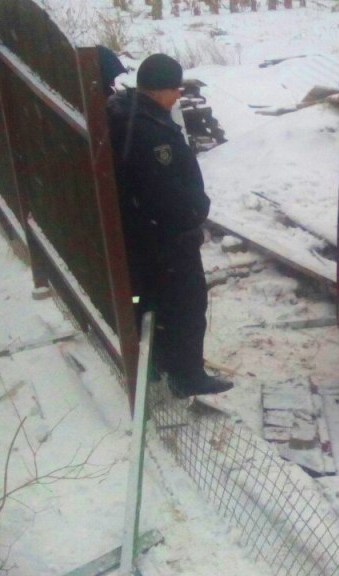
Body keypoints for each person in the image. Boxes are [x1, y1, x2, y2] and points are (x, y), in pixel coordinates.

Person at [106, 53, 232, 398]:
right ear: (160, 89)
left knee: (154, 302)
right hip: (165, 237)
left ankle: (159, 364)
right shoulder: (148, 130)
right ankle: (188, 377)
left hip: (144, 234)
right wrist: (192, 214)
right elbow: (161, 189)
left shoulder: (130, 112)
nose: (178, 95)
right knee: (187, 306)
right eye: (175, 89)